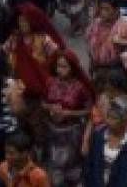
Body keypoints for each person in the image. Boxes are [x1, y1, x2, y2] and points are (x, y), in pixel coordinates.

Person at [42, 49, 94, 187]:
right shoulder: (50, 82)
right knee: (54, 168)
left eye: (64, 66)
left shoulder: (80, 88)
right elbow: (42, 102)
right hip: (52, 131)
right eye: (59, 66)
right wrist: (50, 108)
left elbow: (89, 110)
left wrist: (69, 113)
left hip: (72, 133)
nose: (60, 70)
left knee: (72, 168)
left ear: (72, 67)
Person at [85, 96, 127, 187]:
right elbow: (90, 165)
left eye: (114, 118)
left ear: (125, 121)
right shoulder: (98, 135)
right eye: (108, 117)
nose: (109, 122)